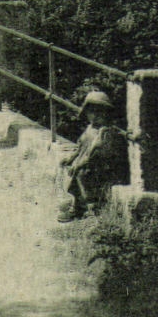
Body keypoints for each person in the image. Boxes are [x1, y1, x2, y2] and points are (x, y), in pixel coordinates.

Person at [58, 91, 129, 222]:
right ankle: (78, 203)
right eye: (92, 112)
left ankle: (90, 207)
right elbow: (80, 147)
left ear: (106, 113)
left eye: (100, 112)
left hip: (100, 166)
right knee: (76, 173)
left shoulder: (105, 132)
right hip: (86, 163)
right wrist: (71, 159)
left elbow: (95, 154)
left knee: (82, 174)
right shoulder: (90, 129)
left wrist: (77, 165)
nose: (95, 116)